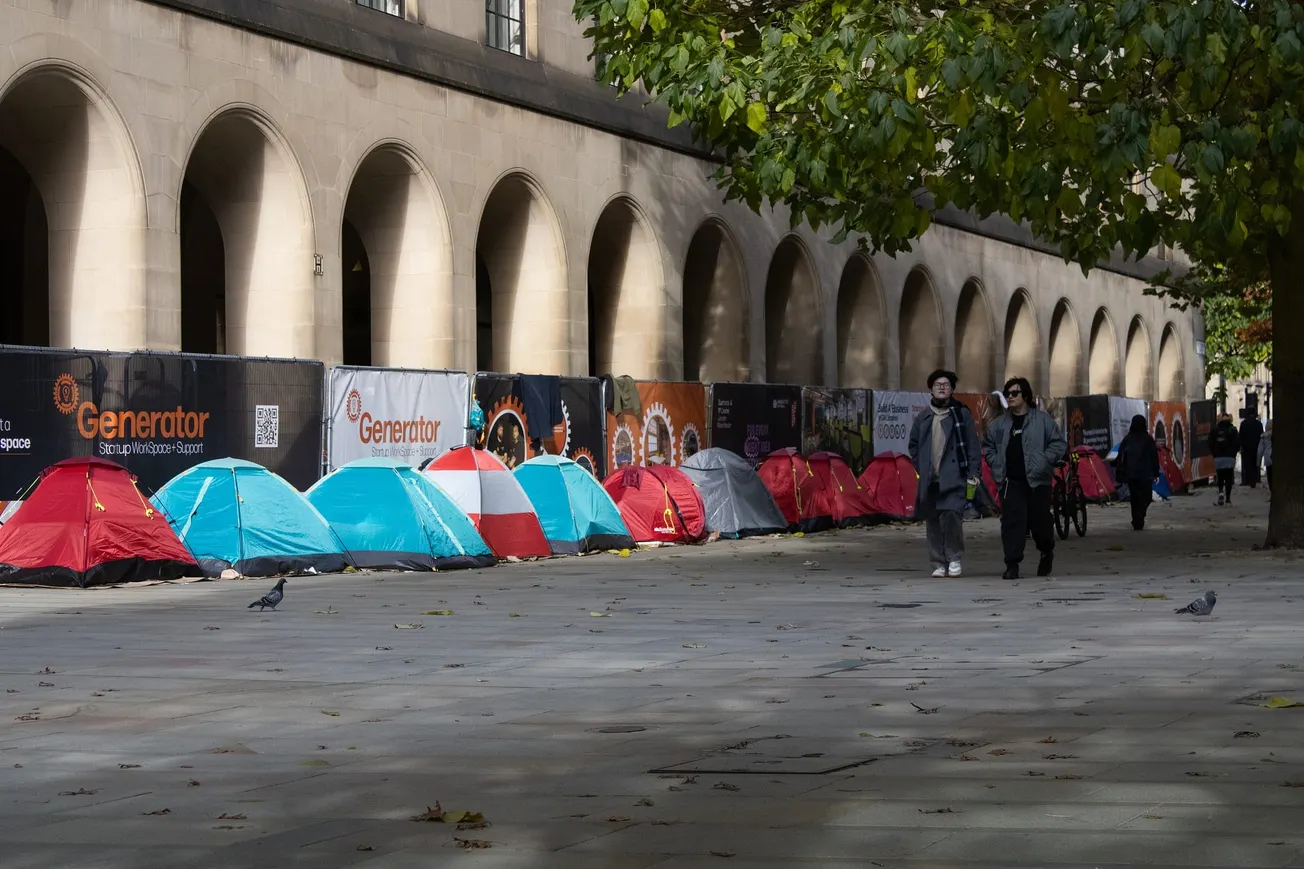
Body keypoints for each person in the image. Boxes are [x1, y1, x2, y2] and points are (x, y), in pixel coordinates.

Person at [982, 377, 1067, 580]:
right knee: (1012, 523)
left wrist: (1044, 460)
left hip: (1038, 482)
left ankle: (1046, 551)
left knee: (1040, 523)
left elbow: (1058, 445)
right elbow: (988, 445)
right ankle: (1012, 564)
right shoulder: (1000, 424)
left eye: (1014, 393)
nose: (1010, 397)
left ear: (1026, 396)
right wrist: (995, 463)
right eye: (1007, 394)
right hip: (1010, 482)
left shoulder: (1042, 421)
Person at [908, 370, 980, 578]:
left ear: (951, 389)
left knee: (951, 516)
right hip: (930, 479)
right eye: (938, 384)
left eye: (946, 384)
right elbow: (913, 444)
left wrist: (974, 472)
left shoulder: (961, 414)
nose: (941, 387)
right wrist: (920, 466)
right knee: (932, 519)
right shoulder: (924, 416)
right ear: (931, 388)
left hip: (955, 476)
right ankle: (938, 562)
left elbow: (973, 446)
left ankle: (954, 557)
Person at [1114, 414, 1160, 530]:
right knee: (1146, 497)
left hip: (1132, 474)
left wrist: (1119, 469)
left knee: (1135, 498)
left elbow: (1120, 455)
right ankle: (1140, 516)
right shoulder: (1148, 439)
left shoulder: (1128, 439)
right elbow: (1154, 456)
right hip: (1145, 474)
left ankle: (1137, 519)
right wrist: (1156, 472)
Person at [1208, 413, 1240, 505]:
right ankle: (1228, 498)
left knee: (1220, 476)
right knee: (1229, 477)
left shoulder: (1215, 430)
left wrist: (1214, 453)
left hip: (1219, 457)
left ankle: (1221, 491)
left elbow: (1209, 442)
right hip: (1230, 457)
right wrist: (1234, 453)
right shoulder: (1233, 430)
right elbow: (1238, 443)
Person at [1239, 411, 1264, 487]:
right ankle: (1255, 479)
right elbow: (1261, 435)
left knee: (1247, 464)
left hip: (1246, 447)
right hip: (1256, 446)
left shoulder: (1244, 423)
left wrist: (1241, 446)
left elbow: (1240, 435)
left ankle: (1246, 480)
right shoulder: (1258, 424)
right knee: (1255, 464)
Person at [1258, 420, 1273, 495]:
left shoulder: (1264, 436)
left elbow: (1260, 451)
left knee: (1270, 477)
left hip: (1268, 458)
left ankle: (1272, 493)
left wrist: (1258, 462)